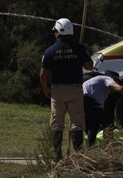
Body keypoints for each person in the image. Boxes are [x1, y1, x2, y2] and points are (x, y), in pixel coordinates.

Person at [40, 18, 93, 160]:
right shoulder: (79, 48)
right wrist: (83, 55)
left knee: (57, 123)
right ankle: (79, 156)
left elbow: (43, 74)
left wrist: (46, 90)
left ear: (58, 32)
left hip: (57, 91)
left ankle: (57, 155)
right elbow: (89, 66)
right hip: (75, 90)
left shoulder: (50, 51)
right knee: (77, 123)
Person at [83, 70, 123, 147]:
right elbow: (119, 88)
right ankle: (109, 145)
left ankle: (90, 147)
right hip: (90, 101)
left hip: (81, 102)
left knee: (92, 126)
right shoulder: (106, 78)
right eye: (117, 81)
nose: (117, 82)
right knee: (108, 125)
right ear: (112, 77)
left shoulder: (96, 81)